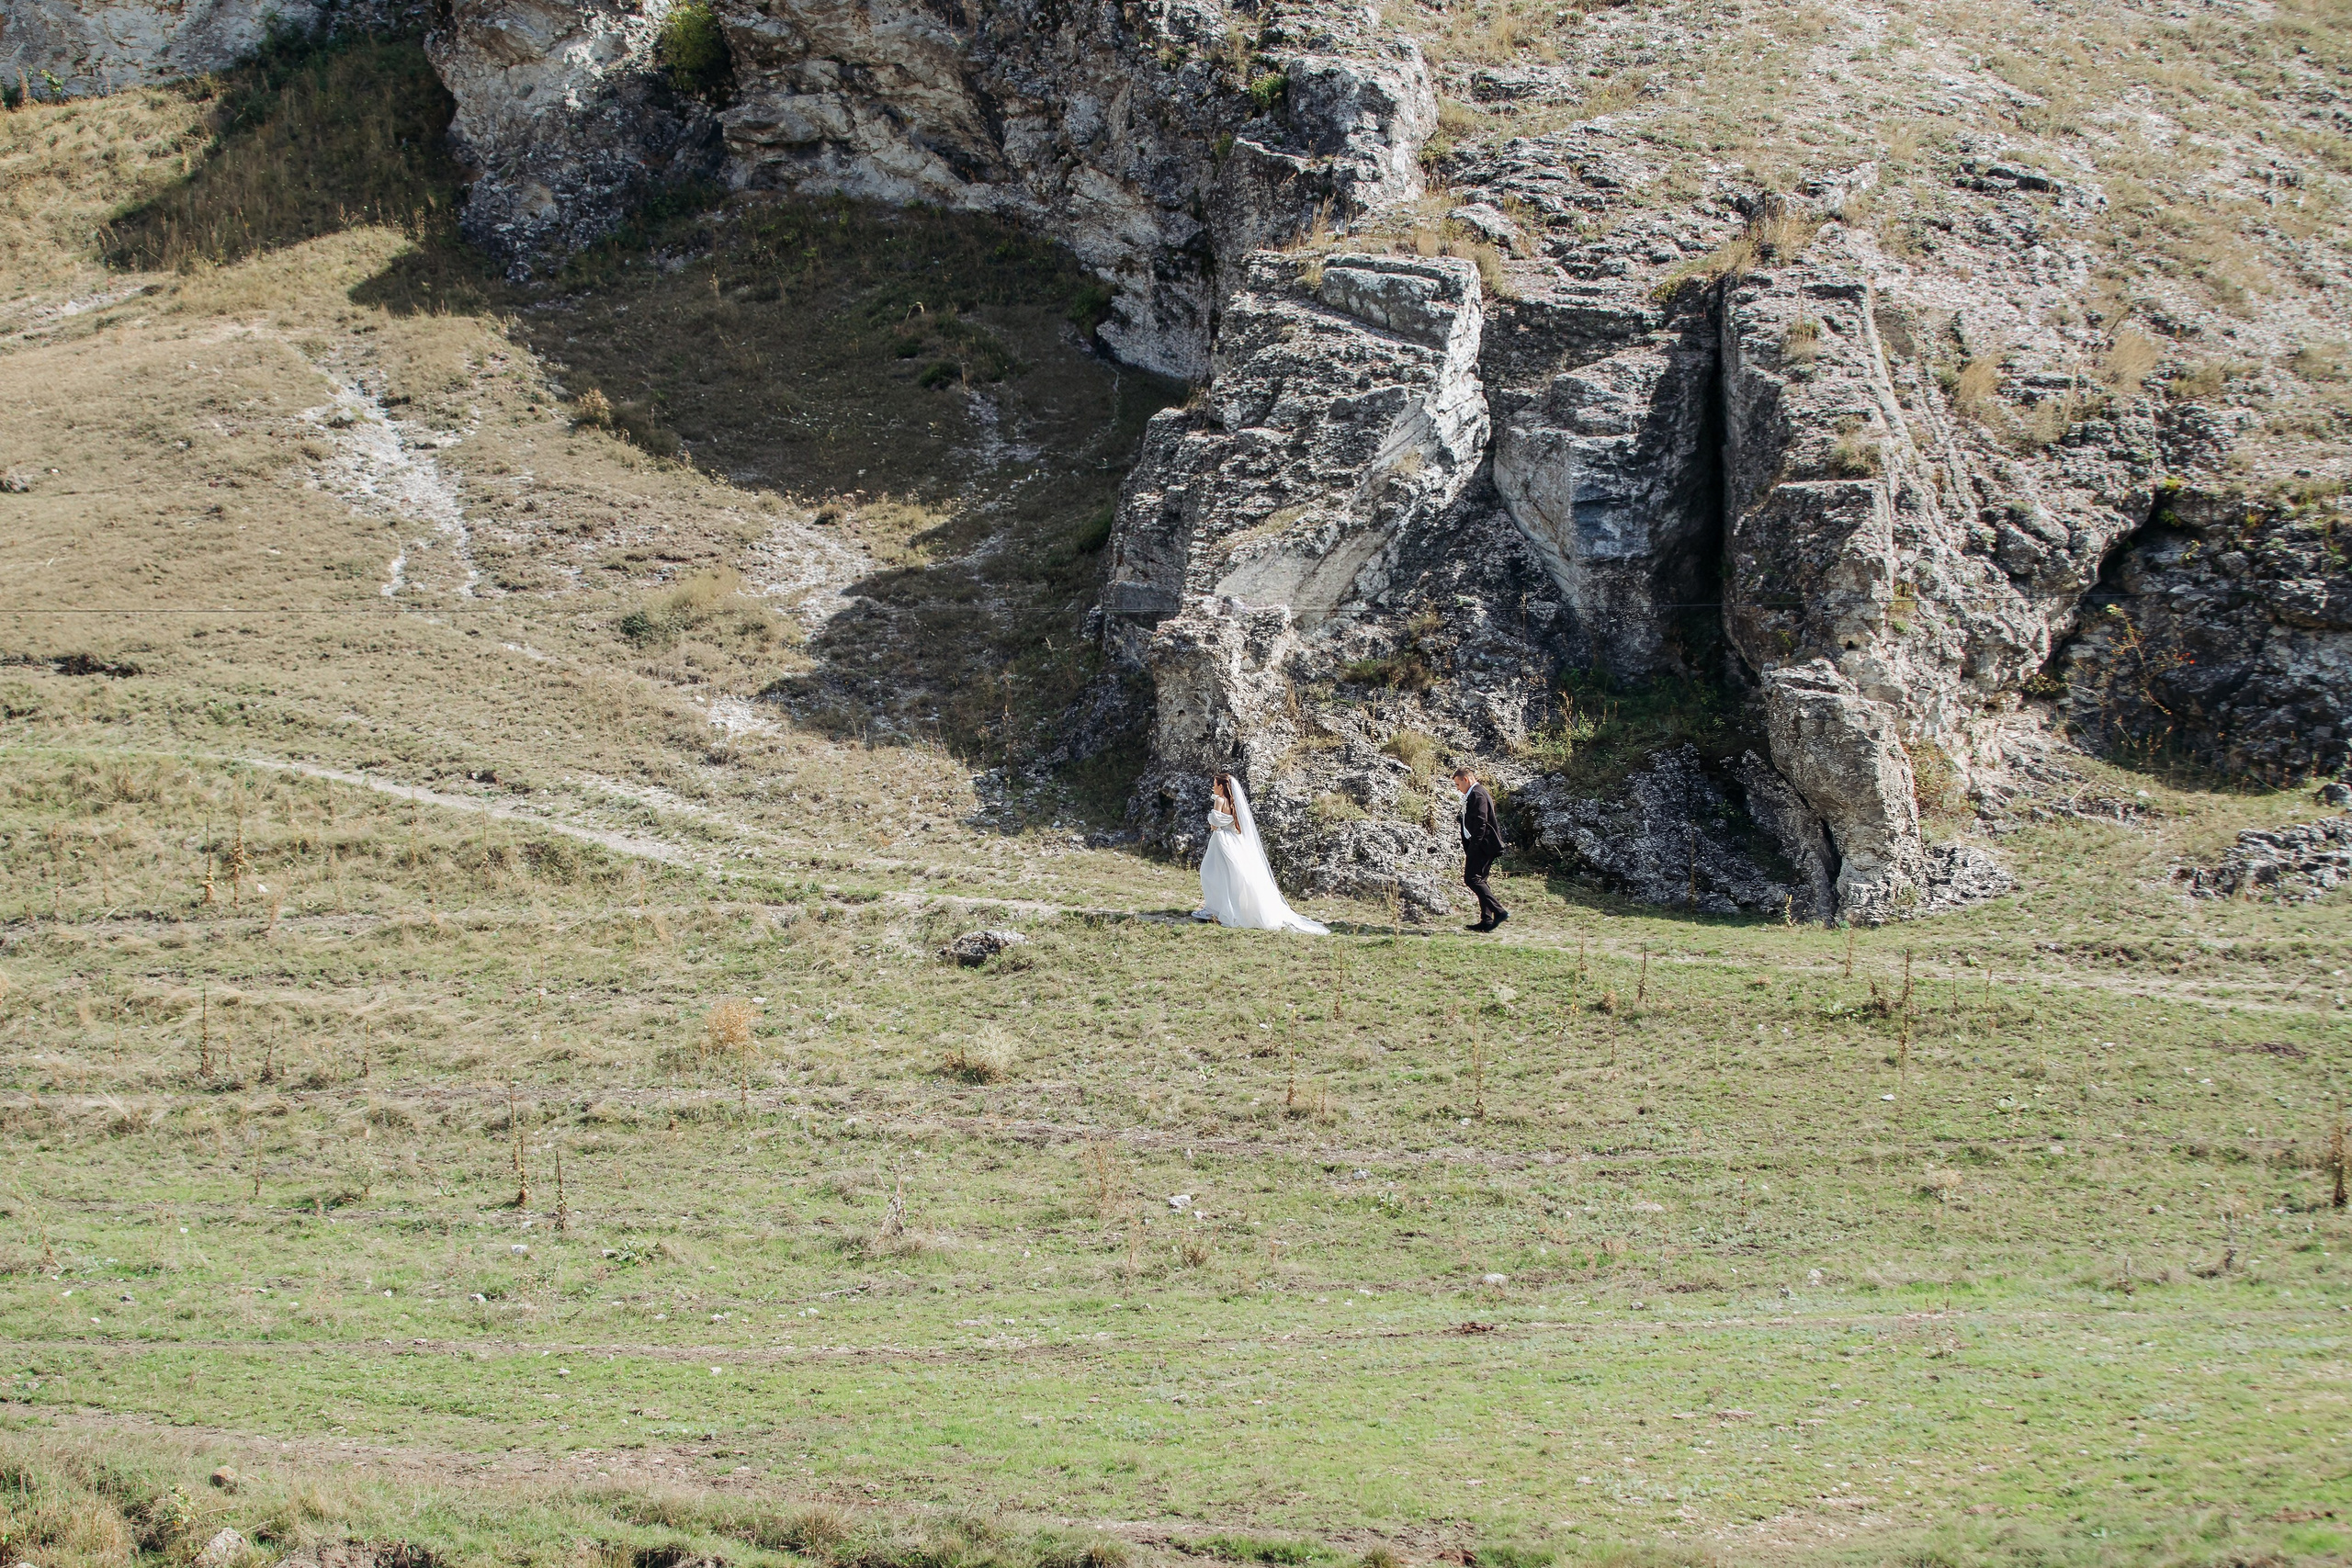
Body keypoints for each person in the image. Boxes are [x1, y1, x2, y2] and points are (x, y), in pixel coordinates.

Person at [1192, 773, 1329, 933]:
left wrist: (1213, 821)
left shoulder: (1220, 800)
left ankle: (1215, 909)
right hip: (1235, 841)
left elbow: (1214, 825)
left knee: (1211, 872)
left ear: (1221, 787)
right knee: (1233, 876)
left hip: (1221, 841)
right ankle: (1227, 908)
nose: (1213, 787)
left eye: (1215, 784)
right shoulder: (1233, 803)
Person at [1453, 764, 1508, 931]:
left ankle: (1499, 911)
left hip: (1482, 845)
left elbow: (1481, 822)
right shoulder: (1476, 793)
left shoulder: (1477, 793)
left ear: (1466, 779)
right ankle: (1487, 920)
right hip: (1481, 845)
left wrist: (1473, 847)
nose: (1458, 788)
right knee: (1480, 880)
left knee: (1472, 879)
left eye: (1458, 784)